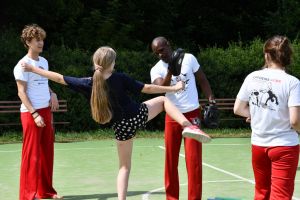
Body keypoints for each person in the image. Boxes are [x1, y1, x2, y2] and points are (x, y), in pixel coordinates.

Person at [22, 46, 211, 200]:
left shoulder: (88, 83)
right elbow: (148, 88)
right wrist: (174, 87)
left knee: (124, 167)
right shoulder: (120, 78)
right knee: (163, 101)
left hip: (121, 128)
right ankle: (188, 125)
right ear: (111, 64)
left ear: (96, 63)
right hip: (137, 115)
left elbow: (58, 78)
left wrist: (33, 69)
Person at [234, 35, 300, 200]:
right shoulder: (292, 82)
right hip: (284, 146)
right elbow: (294, 121)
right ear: (287, 56)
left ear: (266, 55)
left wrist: (256, 116)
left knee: (261, 193)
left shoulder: (252, 77)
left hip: (258, 145)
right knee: (281, 196)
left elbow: (238, 109)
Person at [150, 36, 215, 200]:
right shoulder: (156, 69)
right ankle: (172, 198)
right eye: (156, 53)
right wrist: (171, 69)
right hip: (172, 116)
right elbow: (162, 88)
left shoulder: (189, 58)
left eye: (161, 50)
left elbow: (202, 80)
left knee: (194, 162)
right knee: (170, 161)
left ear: (168, 45)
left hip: (193, 115)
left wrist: (211, 100)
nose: (160, 55)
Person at [13, 24, 63, 200]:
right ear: (28, 42)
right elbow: (21, 92)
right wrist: (34, 114)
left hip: (46, 110)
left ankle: (46, 191)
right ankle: (28, 195)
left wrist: (53, 93)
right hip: (30, 113)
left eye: (42, 39)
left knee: (47, 152)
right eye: (37, 40)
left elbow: (45, 82)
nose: (41, 43)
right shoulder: (22, 65)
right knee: (31, 154)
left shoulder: (43, 62)